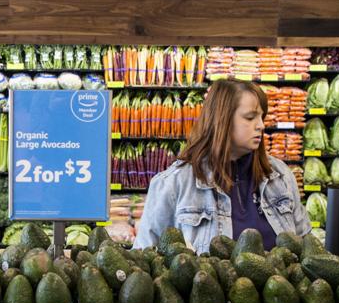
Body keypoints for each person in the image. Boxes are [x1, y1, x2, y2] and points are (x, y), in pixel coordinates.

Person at [133, 79, 311, 252]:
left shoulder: (280, 176)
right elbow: (143, 261)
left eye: (261, 117)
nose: (261, 126)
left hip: (279, 282)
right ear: (222, 120)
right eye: (250, 117)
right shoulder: (174, 184)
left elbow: (307, 249)